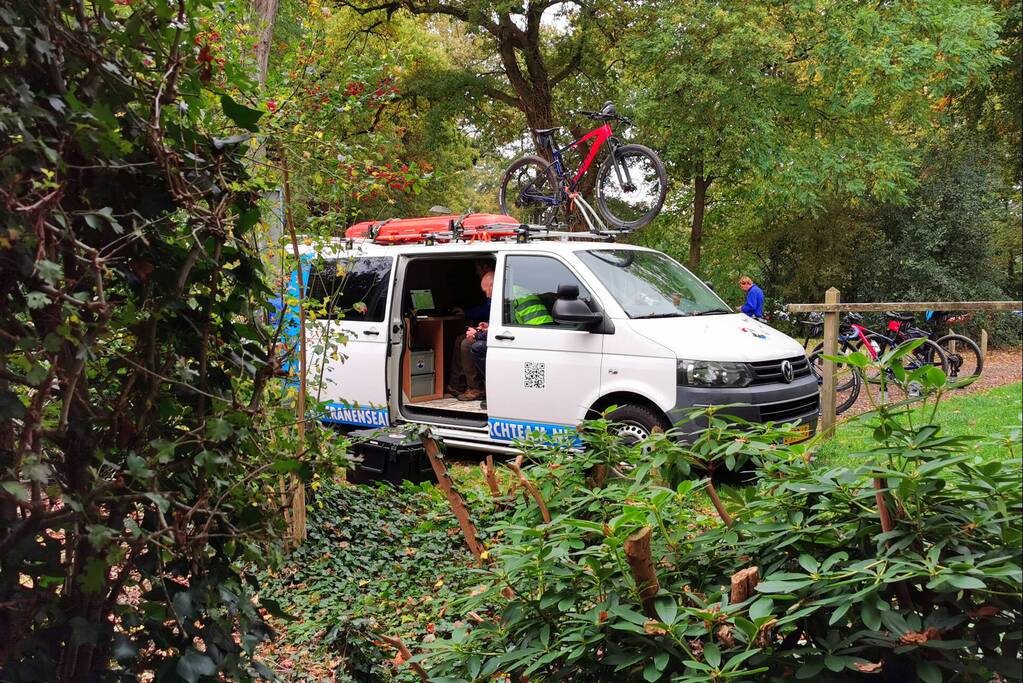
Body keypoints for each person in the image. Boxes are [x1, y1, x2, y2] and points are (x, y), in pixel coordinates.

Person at [448, 270, 494, 401]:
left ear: (492, 285)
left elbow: (506, 324)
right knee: (460, 339)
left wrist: (479, 333)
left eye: (486, 291)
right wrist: (486, 326)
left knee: (467, 344)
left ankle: (476, 388)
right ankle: (457, 385)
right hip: (492, 332)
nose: (486, 295)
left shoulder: (507, 296)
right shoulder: (503, 294)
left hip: (505, 337)